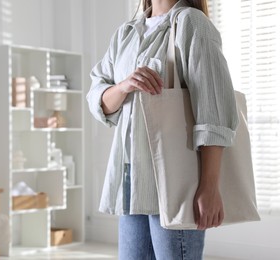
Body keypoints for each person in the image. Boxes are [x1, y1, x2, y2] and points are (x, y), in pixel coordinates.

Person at [87, 0, 238, 259]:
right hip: (131, 180)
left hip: (174, 181)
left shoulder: (191, 23)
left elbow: (213, 111)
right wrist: (123, 86)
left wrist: (210, 186)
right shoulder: (126, 33)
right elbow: (96, 99)